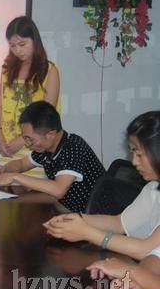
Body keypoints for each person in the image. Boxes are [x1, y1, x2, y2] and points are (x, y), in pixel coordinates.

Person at [44, 111, 160, 260]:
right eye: (132, 153)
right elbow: (119, 223)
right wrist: (76, 219)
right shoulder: (153, 188)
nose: (134, 162)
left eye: (139, 154)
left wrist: (87, 233)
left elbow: (146, 250)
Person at [0, 100, 104, 212]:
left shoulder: (73, 147)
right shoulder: (46, 148)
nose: (27, 144)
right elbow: (21, 164)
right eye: (25, 138)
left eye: (30, 139)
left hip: (95, 216)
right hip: (68, 209)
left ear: (50, 134)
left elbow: (58, 190)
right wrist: (3, 170)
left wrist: (15, 177)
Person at [0, 16, 60, 176]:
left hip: (35, 148)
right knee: (2, 189)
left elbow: (47, 114)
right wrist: (0, 135)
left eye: (22, 44)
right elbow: (0, 105)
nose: (18, 50)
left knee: (31, 191)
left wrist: (22, 140)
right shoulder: (7, 69)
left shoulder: (49, 70)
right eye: (13, 46)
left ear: (34, 40)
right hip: (7, 148)